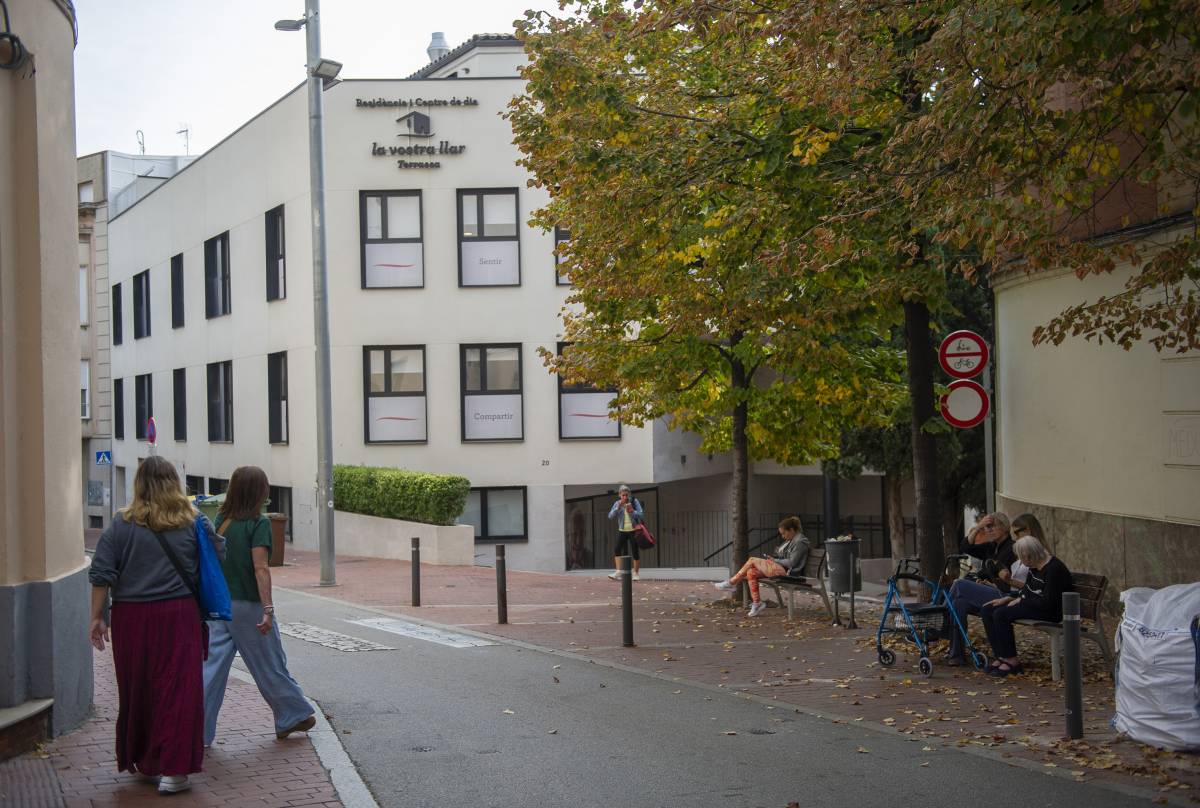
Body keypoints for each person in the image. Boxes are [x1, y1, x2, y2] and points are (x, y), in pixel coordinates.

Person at [88, 456, 224, 795]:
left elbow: (102, 574)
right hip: (179, 616)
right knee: (179, 689)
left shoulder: (121, 524)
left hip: (131, 619)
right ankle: (174, 770)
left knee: (139, 688)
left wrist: (97, 617)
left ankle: (147, 760)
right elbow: (219, 555)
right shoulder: (194, 522)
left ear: (139, 485)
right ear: (174, 483)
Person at [203, 466, 315, 746]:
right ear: (259, 491)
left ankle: (197, 729)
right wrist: (268, 609)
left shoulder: (221, 521)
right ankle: (293, 714)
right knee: (269, 662)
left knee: (211, 669)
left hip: (220, 605)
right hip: (248, 605)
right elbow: (260, 568)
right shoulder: (258, 523)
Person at [979, 535, 1074, 677]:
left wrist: (1021, 601)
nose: (1022, 563)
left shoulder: (1054, 569)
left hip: (1051, 612)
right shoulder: (1035, 565)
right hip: (1034, 604)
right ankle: (1002, 655)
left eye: (1022, 558)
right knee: (988, 609)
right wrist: (1009, 598)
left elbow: (1048, 602)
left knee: (1001, 614)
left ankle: (1012, 660)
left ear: (1030, 556)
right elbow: (1027, 589)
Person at [944, 511, 1016, 664]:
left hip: (1005, 595)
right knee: (958, 603)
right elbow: (965, 546)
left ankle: (940, 623)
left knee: (959, 584)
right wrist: (978, 527)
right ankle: (956, 655)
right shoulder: (991, 547)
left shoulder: (1013, 548)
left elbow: (1012, 581)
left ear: (1004, 527)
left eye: (992, 526)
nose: (989, 530)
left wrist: (991, 583)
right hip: (986, 594)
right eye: (987, 527)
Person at [714, 517, 810, 617]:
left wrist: (775, 560)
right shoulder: (792, 540)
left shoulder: (800, 541)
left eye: (784, 533)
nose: (782, 536)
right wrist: (775, 557)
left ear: (791, 530)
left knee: (752, 560)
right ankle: (757, 603)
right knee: (751, 572)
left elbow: (792, 563)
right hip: (782, 569)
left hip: (789, 573)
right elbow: (787, 558)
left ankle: (732, 583)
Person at [606, 485, 644, 581]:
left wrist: (632, 511)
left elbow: (641, 514)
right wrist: (617, 508)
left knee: (635, 551)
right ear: (619, 495)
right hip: (622, 531)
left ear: (629, 494)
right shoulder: (617, 503)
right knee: (617, 549)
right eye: (623, 495)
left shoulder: (634, 501)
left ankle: (635, 573)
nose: (625, 497)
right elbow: (610, 516)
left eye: (626, 495)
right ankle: (618, 571)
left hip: (633, 530)